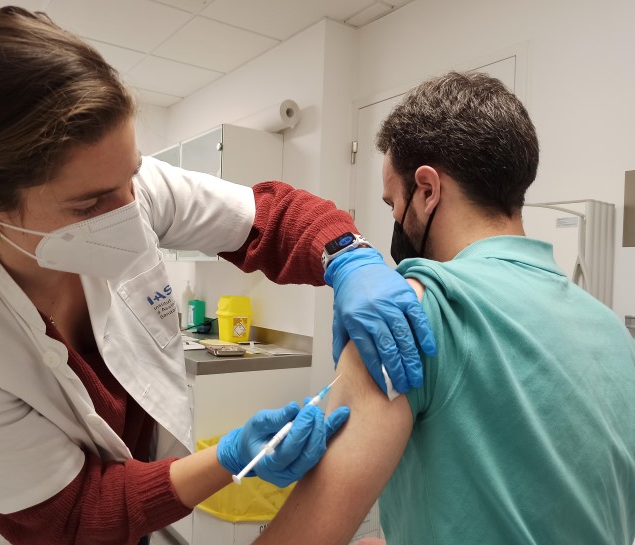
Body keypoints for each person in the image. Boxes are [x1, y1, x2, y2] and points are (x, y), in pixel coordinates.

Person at [0, 7, 436, 545]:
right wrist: (229, 459)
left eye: (131, 173)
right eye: (90, 204)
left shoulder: (127, 185)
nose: (131, 208)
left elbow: (274, 216)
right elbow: (73, 516)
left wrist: (348, 256)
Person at [253, 71, 635, 545]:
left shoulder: (408, 313)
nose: (392, 219)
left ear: (428, 190)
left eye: (393, 202)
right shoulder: (614, 332)